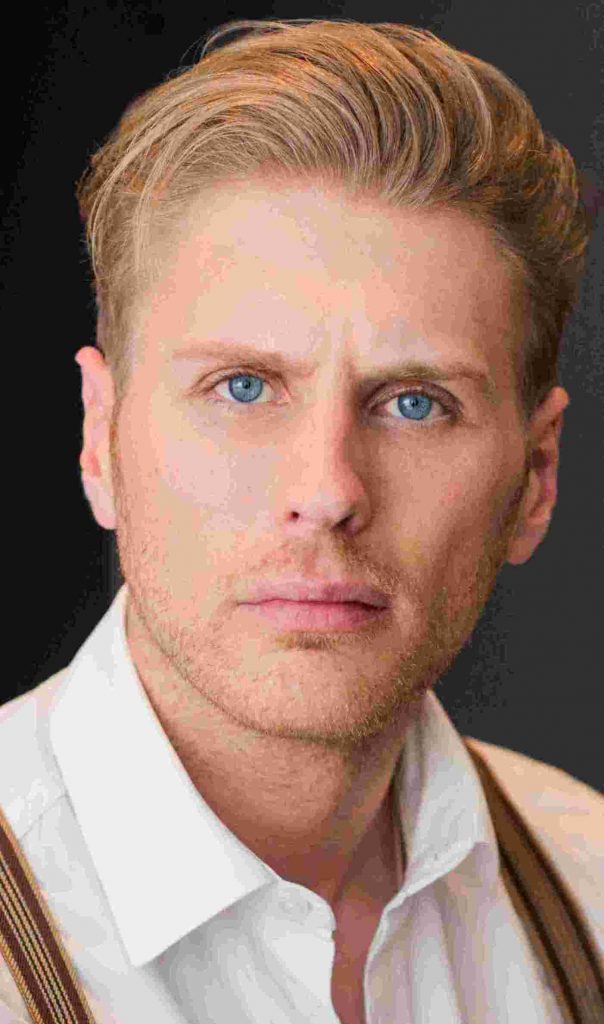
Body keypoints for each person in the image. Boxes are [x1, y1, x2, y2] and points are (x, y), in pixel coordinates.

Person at [1, 17, 602, 1024]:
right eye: (242, 387)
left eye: (415, 402)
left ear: (535, 477)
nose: (326, 489)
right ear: (100, 439)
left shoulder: (588, 886)